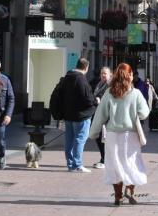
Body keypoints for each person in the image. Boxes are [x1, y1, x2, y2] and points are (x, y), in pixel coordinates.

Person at [88, 63, 149, 206]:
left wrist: (93, 133)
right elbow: (144, 113)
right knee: (132, 163)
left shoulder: (109, 93)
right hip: (131, 135)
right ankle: (130, 189)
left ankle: (117, 196)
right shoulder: (135, 94)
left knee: (115, 165)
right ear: (130, 76)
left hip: (113, 135)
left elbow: (100, 115)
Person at [60, 58, 96, 173]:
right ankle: (78, 164)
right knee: (80, 139)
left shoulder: (67, 77)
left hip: (68, 115)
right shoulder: (81, 79)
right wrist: (96, 100)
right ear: (86, 67)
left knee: (69, 140)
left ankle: (70, 164)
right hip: (81, 116)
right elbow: (88, 98)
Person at [91, 66, 112, 169]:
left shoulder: (110, 86)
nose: (103, 75)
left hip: (107, 116)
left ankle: (105, 159)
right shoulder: (99, 84)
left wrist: (100, 100)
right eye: (101, 73)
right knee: (99, 138)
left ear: (110, 75)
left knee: (103, 138)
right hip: (98, 115)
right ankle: (104, 158)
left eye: (105, 73)